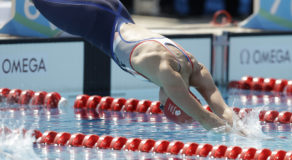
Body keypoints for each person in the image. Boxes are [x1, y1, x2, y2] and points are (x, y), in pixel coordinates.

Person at [32, 0, 234, 132]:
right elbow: (207, 119)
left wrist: (239, 127)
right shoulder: (166, 74)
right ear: (174, 96)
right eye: (164, 106)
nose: (160, 103)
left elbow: (221, 107)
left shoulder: (193, 65)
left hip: (116, 10)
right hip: (93, 21)